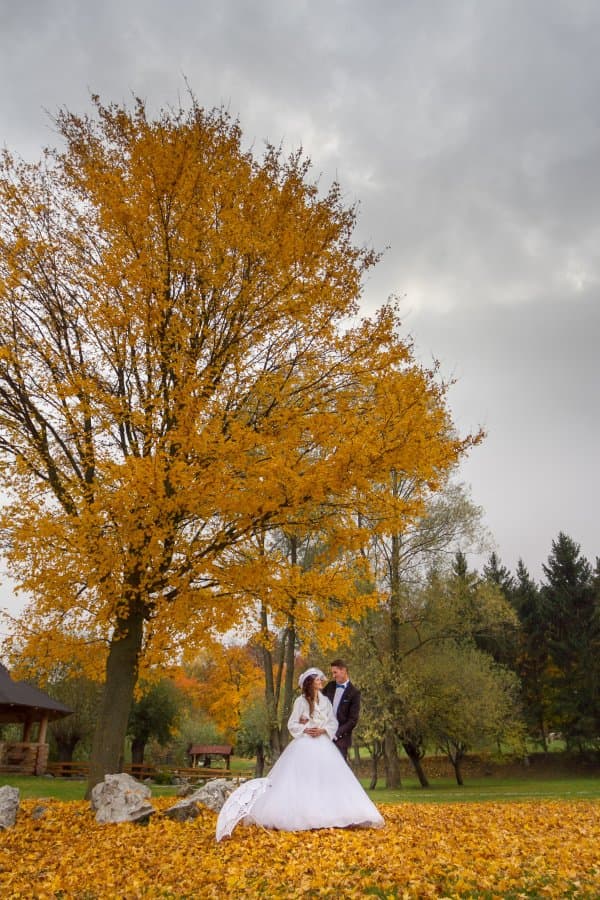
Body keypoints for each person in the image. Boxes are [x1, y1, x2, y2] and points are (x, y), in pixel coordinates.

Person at [216, 667, 384, 840]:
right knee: (304, 778)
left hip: (324, 744)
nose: (321, 681)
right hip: (304, 744)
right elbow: (292, 724)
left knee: (327, 778)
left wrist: (323, 730)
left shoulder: (325, 701)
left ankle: (331, 814)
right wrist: (305, 728)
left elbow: (332, 722)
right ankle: (306, 815)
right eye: (318, 679)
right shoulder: (300, 702)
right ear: (310, 683)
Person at [322, 658, 360, 761]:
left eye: (335, 672)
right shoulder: (330, 686)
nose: (333, 676)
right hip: (324, 735)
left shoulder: (354, 693)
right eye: (332, 673)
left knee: (338, 768)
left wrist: (336, 733)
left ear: (343, 670)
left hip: (341, 740)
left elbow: (353, 720)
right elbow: (317, 702)